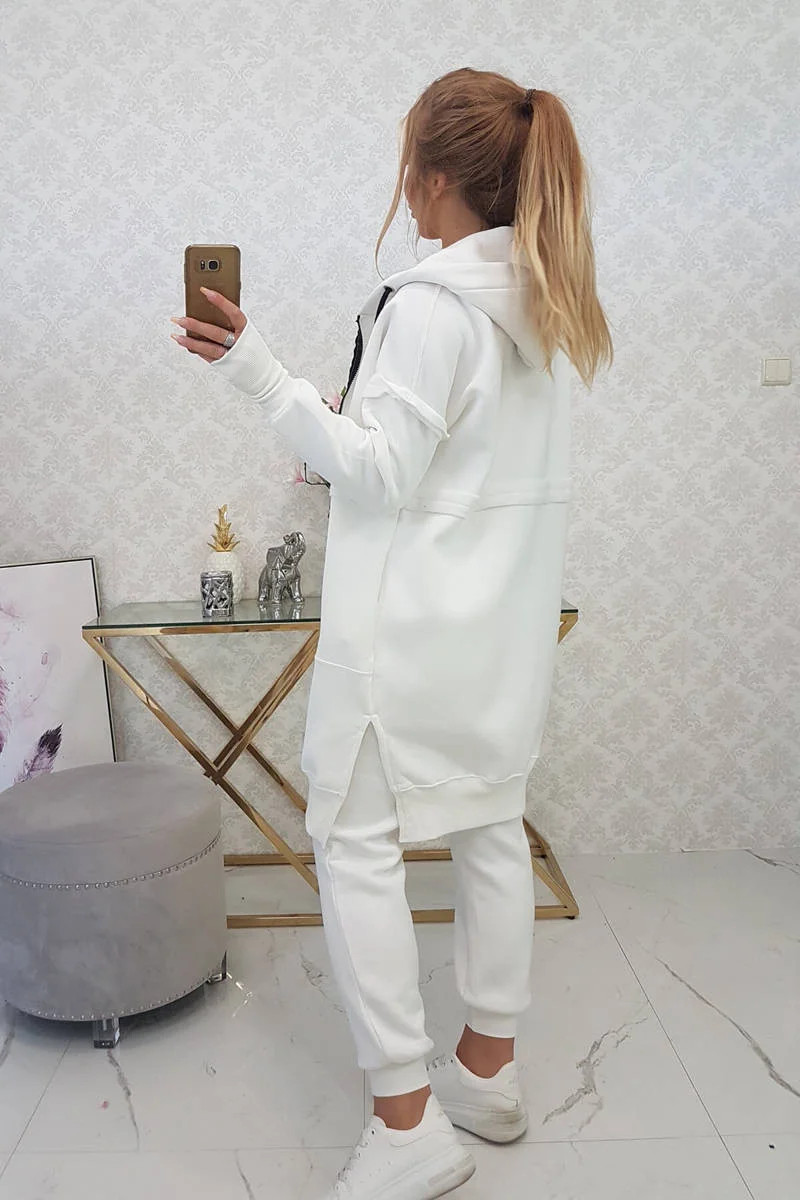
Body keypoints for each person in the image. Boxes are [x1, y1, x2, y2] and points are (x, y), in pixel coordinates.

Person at [171, 66, 612, 1200]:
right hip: (497, 644)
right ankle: (488, 1073)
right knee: (489, 827)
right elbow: (439, 467)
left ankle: (407, 1122)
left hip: (402, 644)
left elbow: (378, 476)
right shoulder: (543, 306)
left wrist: (259, 372)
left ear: (433, 177)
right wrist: (339, 419)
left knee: (354, 844)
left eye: (407, 164)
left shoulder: (428, 306)